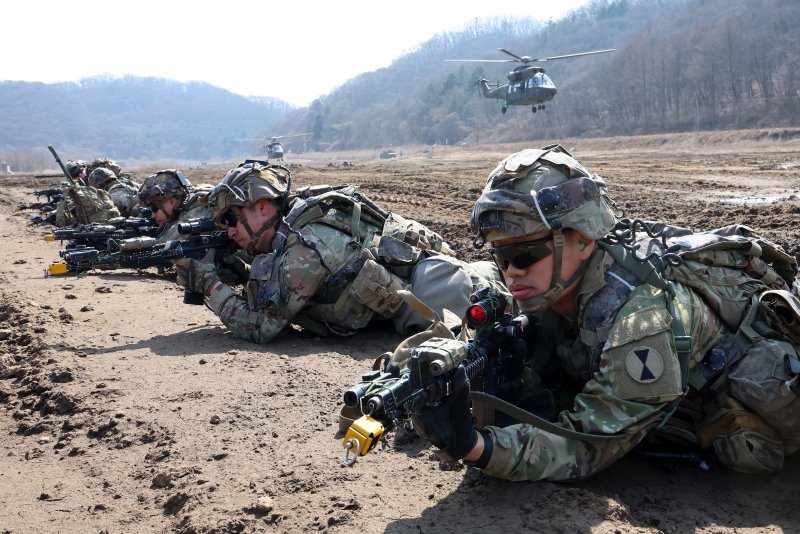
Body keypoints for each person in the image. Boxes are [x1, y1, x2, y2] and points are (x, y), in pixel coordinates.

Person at [409, 144, 800, 480]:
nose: (511, 271)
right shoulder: (556, 286)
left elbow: (589, 443)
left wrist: (477, 447)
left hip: (741, 401)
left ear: (581, 239)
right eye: (500, 255)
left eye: (524, 253)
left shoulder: (641, 315)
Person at [174, 160, 506, 344]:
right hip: (433, 285)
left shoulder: (303, 249)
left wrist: (209, 285)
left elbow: (259, 327)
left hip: (446, 295)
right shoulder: (297, 227)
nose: (230, 231)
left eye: (233, 217)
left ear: (263, 207)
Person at [136, 169, 211, 242]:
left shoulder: (193, 216)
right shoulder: (182, 209)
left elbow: (163, 247)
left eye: (154, 208)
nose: (153, 215)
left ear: (172, 202)